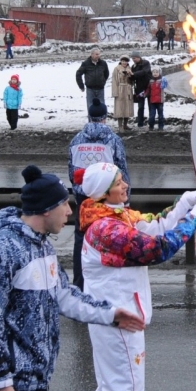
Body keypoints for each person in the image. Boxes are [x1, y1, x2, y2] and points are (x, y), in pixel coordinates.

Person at [0, 165, 145, 391]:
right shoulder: (0, 250)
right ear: (46, 209)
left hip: (36, 378)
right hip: (11, 383)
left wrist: (110, 314)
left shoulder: (43, 248)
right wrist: (0, 381)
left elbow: (63, 295)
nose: (70, 211)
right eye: (64, 204)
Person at [78, 162, 196, 391]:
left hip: (113, 318)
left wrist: (184, 204)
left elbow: (154, 227)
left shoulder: (113, 216)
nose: (125, 185)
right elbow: (156, 249)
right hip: (120, 321)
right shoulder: (107, 230)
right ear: (104, 193)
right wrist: (195, 218)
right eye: (118, 183)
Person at [68, 100, 130, 290]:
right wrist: (126, 197)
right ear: (104, 117)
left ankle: (80, 285)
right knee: (108, 239)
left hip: (84, 198)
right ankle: (105, 286)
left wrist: (79, 190)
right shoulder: (113, 140)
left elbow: (72, 172)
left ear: (89, 116)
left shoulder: (76, 140)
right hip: (107, 198)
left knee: (81, 240)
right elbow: (122, 170)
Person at [111, 54, 135, 132]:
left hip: (128, 90)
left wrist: (131, 76)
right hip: (120, 90)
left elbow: (132, 81)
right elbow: (114, 81)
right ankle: (120, 126)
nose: (124, 62)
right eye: (123, 61)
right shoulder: (116, 69)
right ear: (120, 61)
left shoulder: (130, 69)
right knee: (120, 108)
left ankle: (125, 125)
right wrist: (115, 92)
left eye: (126, 61)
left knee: (127, 108)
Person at [129, 50, 152, 128]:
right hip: (139, 89)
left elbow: (144, 72)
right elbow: (133, 77)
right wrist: (129, 75)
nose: (133, 60)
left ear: (139, 57)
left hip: (148, 87)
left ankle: (151, 123)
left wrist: (134, 74)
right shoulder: (133, 66)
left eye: (135, 58)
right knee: (140, 107)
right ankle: (140, 124)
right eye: (132, 58)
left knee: (150, 106)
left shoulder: (146, 63)